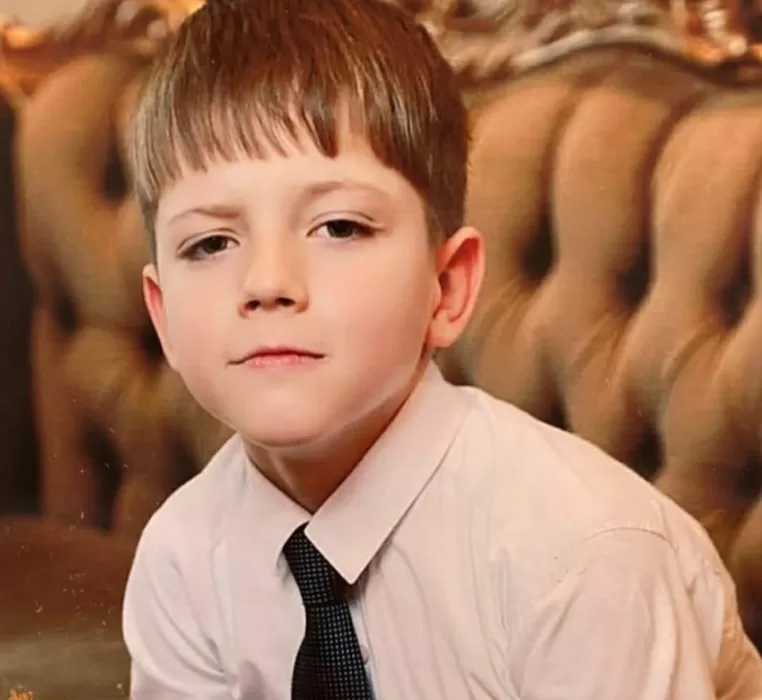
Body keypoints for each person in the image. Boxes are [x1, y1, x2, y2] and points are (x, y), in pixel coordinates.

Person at [121, 0, 762, 697]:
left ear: (447, 288)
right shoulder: (182, 557)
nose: (267, 283)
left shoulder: (578, 554)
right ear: (163, 315)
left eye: (339, 227)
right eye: (210, 243)